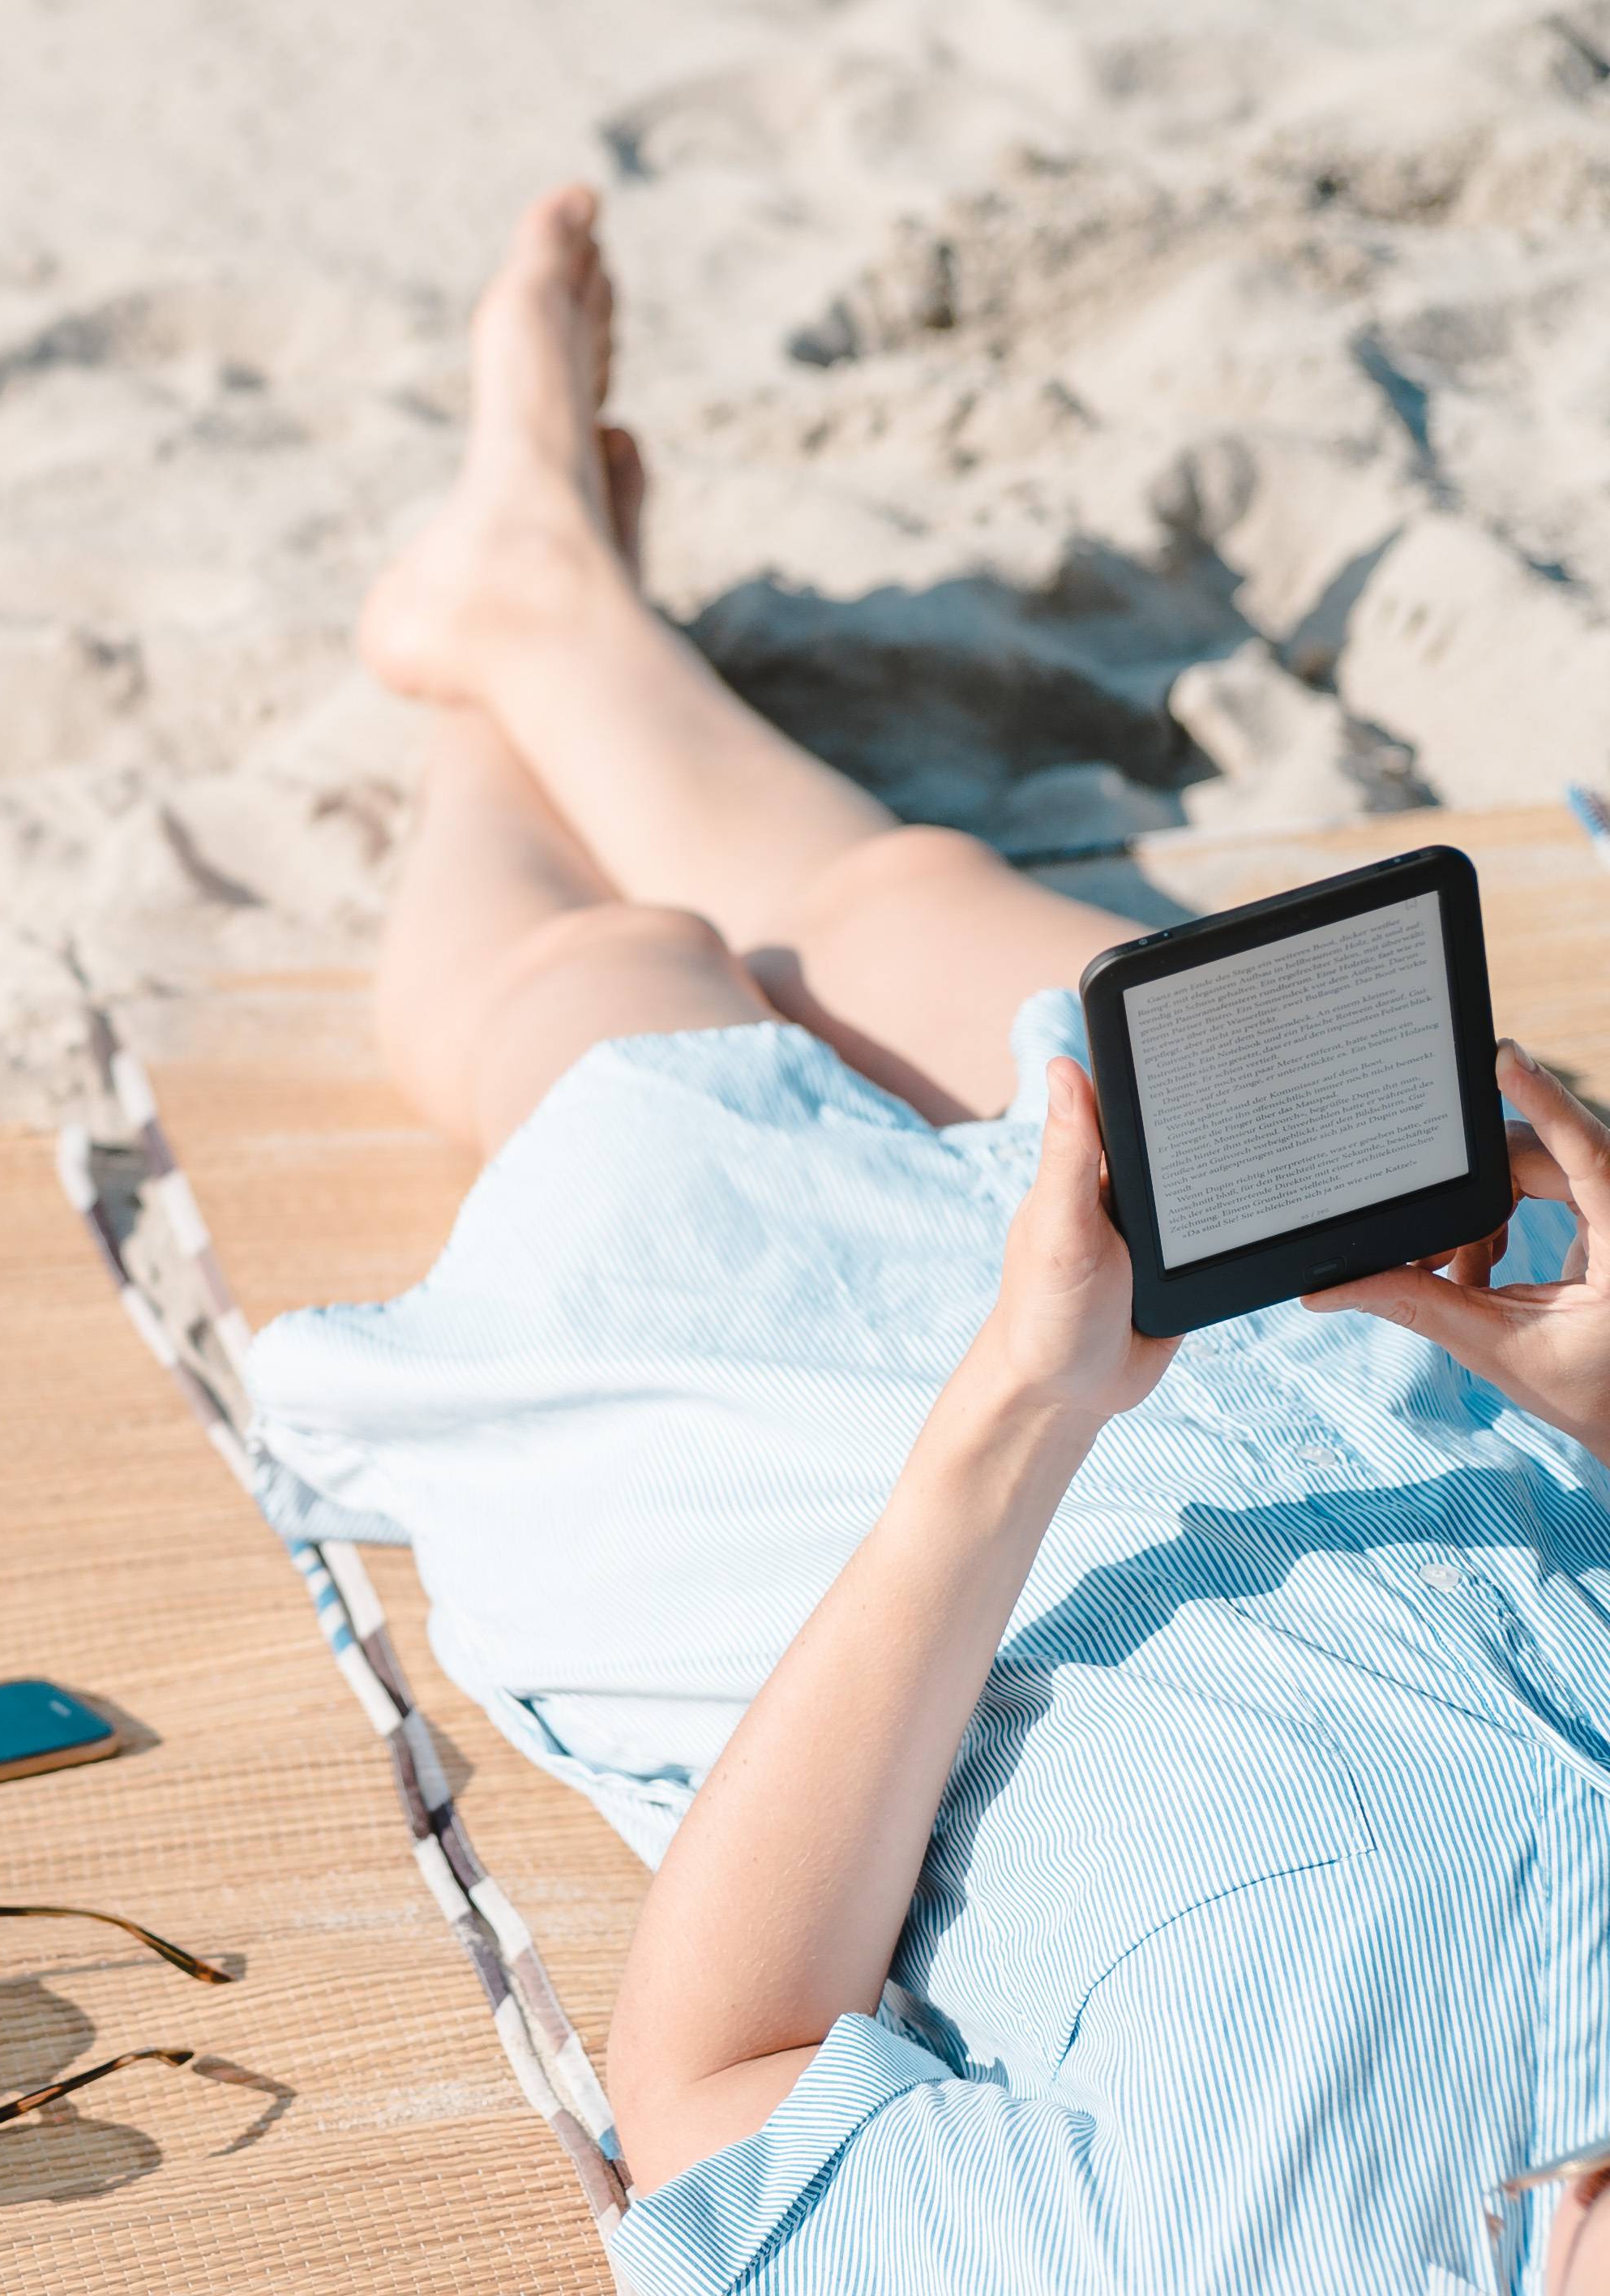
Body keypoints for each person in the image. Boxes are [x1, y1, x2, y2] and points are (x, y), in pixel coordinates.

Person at [242, 184, 1610, 2294]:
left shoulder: (1207, 2256)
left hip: (888, 1495)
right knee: (905, 913)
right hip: (1404, 1363)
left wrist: (1014, 1407)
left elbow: (717, 2074)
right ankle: (544, 607)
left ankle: (489, 680)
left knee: (618, 992)